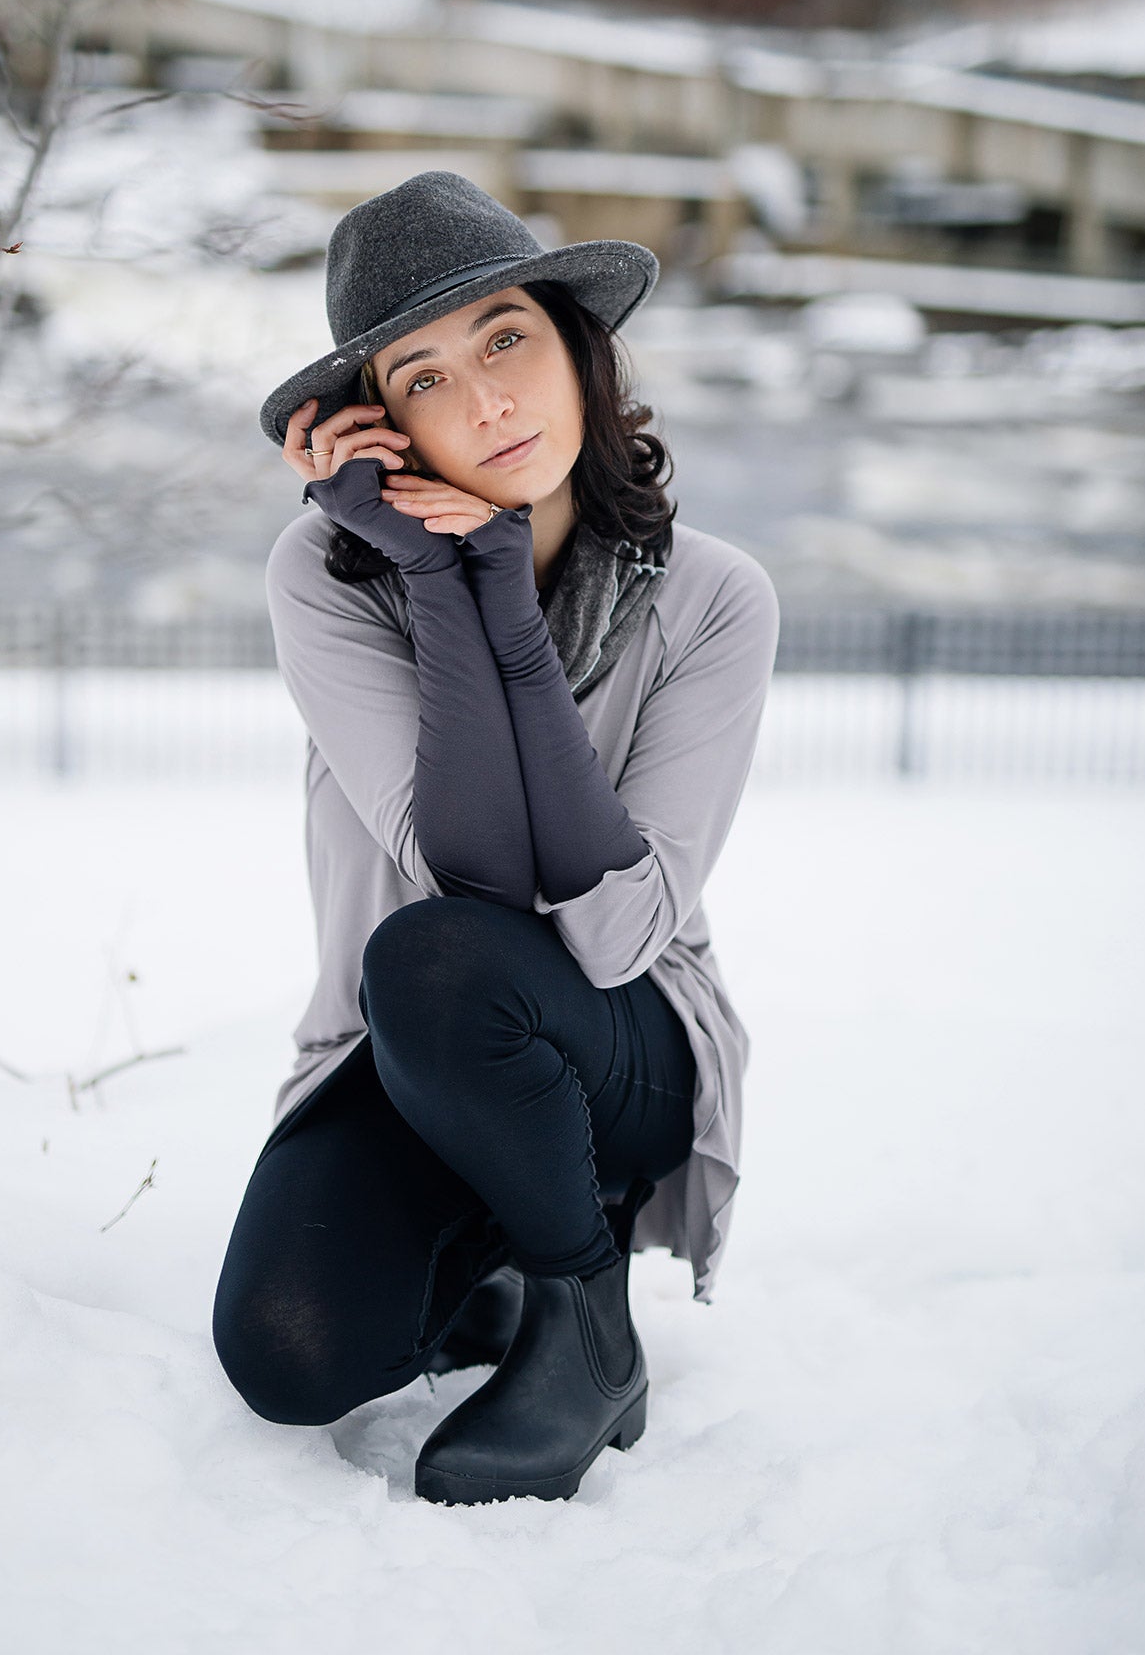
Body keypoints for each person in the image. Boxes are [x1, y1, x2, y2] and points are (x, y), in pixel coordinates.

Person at [212, 170, 779, 1506]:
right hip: (406, 1051)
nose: (487, 403)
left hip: (620, 1049)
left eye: (507, 339)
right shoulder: (325, 574)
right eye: (423, 378)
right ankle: (498, 1248)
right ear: (377, 423)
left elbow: (611, 928)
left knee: (442, 961)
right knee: (289, 1357)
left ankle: (584, 1321)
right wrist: (433, 572)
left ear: (580, 350)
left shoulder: (712, 600)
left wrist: (499, 609)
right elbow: (458, 859)